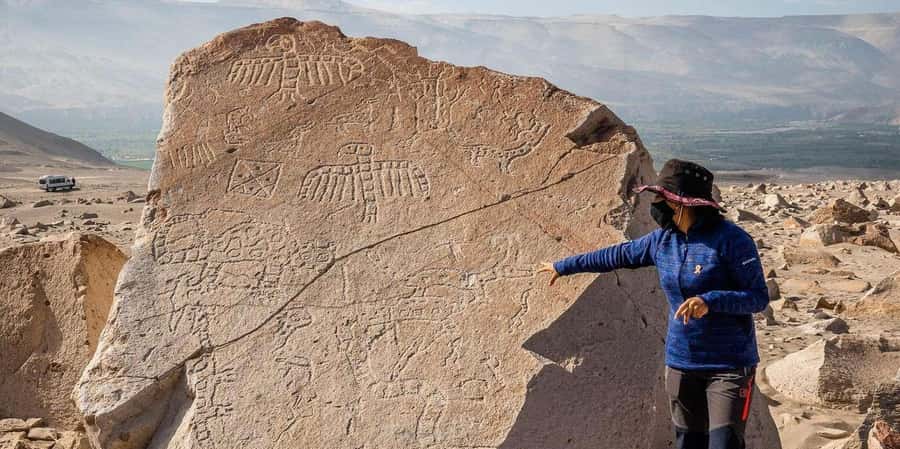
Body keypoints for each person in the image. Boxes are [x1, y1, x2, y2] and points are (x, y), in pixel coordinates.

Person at [538, 159, 769, 449]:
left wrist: (710, 301)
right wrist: (563, 266)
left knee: (725, 445)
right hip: (682, 363)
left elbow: (758, 297)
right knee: (688, 444)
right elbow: (614, 256)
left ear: (684, 203)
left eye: (663, 197)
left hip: (730, 367)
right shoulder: (662, 241)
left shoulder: (733, 241)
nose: (657, 203)